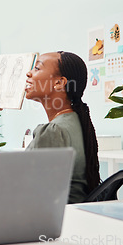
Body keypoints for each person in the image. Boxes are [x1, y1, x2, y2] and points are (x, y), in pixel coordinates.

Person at [24, 51, 100, 203]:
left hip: (58, 220)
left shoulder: (54, 132)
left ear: (59, 82)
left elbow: (30, 191)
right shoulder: (75, 120)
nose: (28, 73)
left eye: (37, 68)